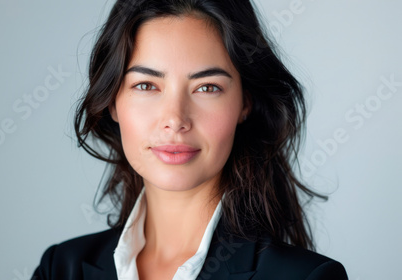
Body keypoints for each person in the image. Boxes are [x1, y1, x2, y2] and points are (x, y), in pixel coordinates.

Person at [32, 0, 348, 279]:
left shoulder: (308, 277)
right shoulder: (60, 269)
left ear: (245, 103)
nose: (175, 119)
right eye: (146, 85)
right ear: (112, 101)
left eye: (207, 87)